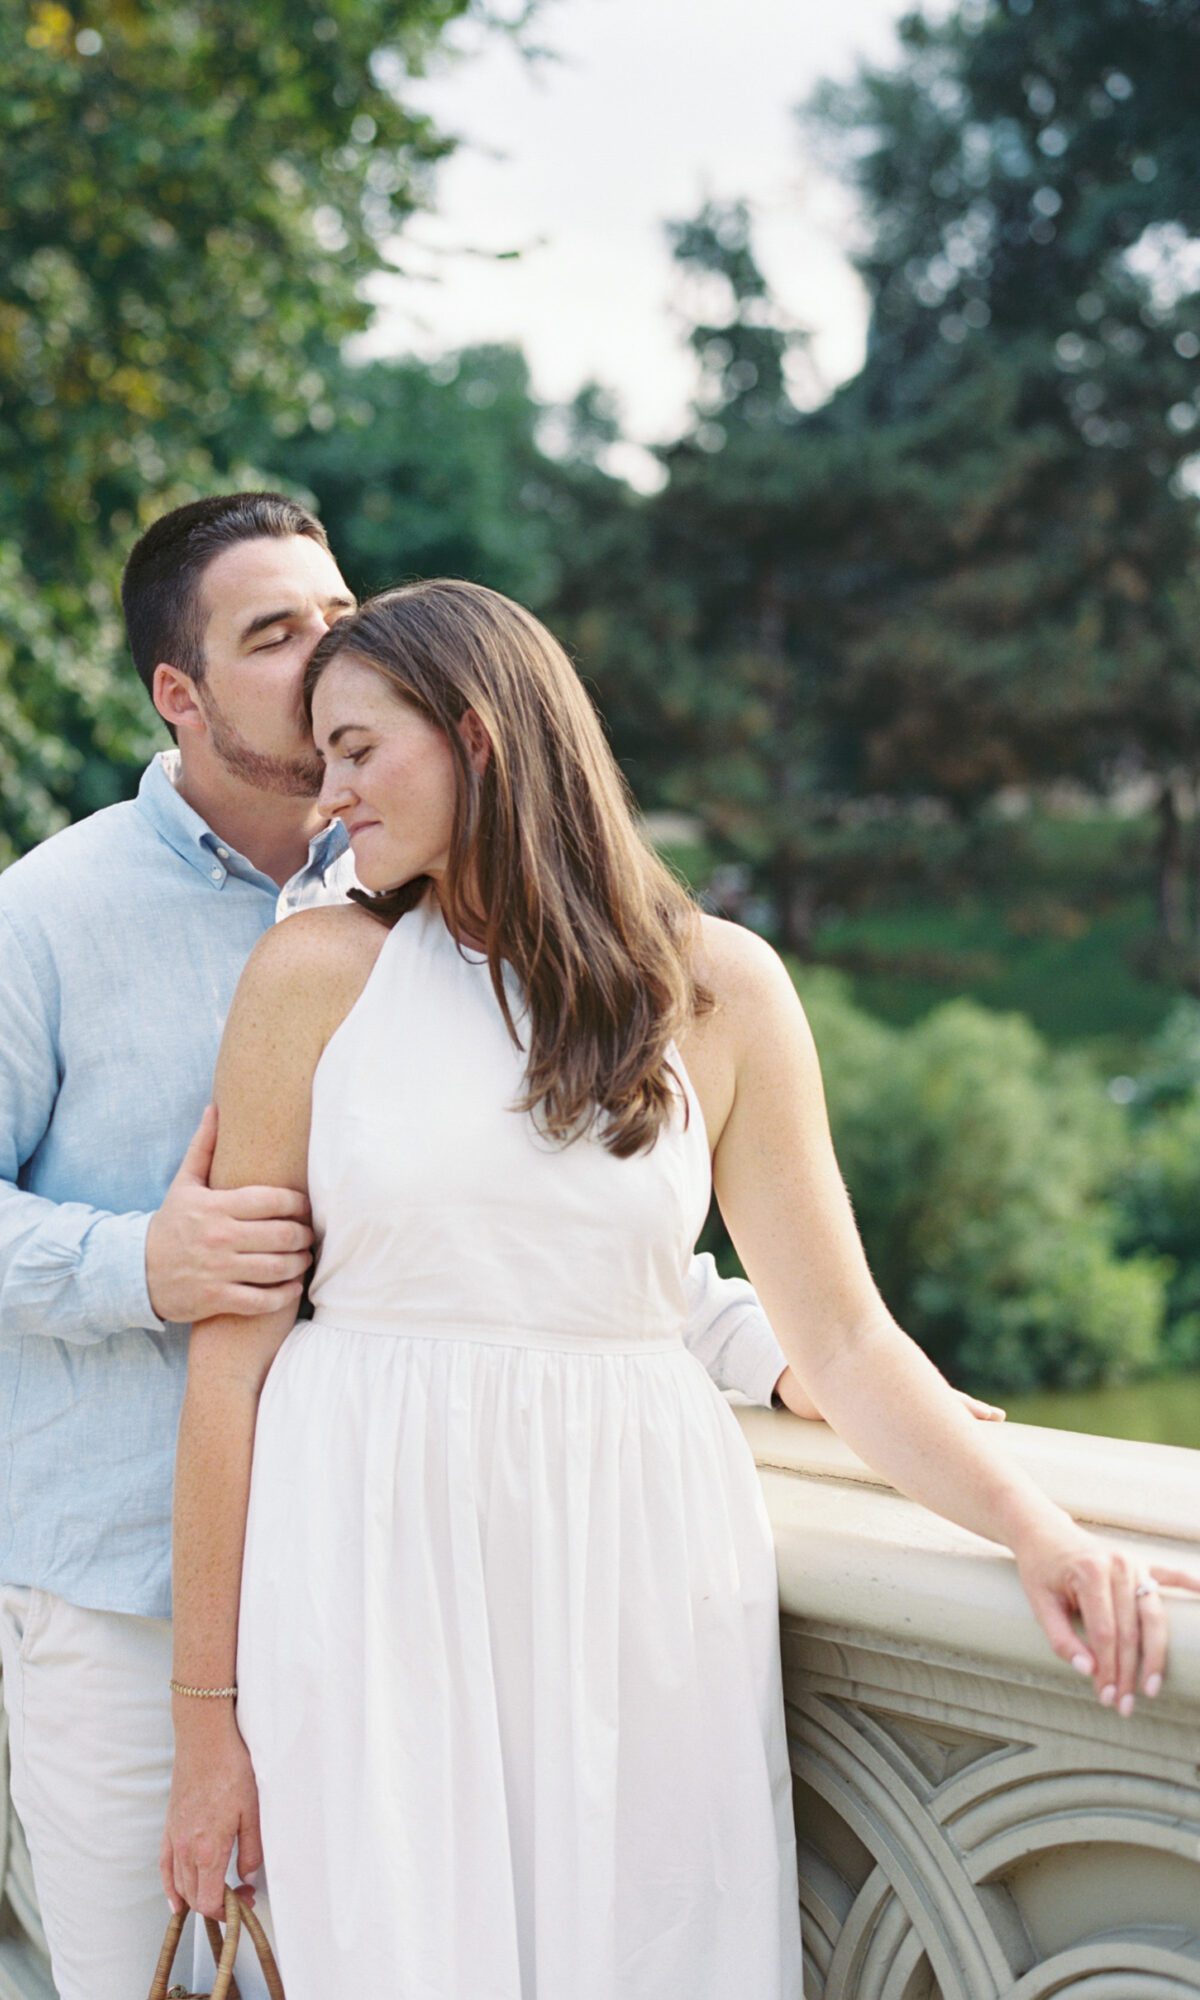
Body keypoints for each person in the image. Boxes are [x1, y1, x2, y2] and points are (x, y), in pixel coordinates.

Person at [0, 494, 843, 2000]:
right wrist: (141, 1265)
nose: (327, 650)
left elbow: (498, 1241)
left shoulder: (432, 898)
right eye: (274, 633)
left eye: (335, 610)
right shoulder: (54, 913)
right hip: (129, 1583)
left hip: (393, 1601)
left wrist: (784, 1353)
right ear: (178, 695)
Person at [162, 578, 1200, 2000]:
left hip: (635, 1567)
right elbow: (232, 1368)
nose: (324, 794)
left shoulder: (719, 989)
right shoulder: (313, 977)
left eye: (354, 748)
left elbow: (840, 1333)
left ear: (477, 735)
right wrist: (206, 1730)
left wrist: (1042, 1535)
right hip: (364, 1562)